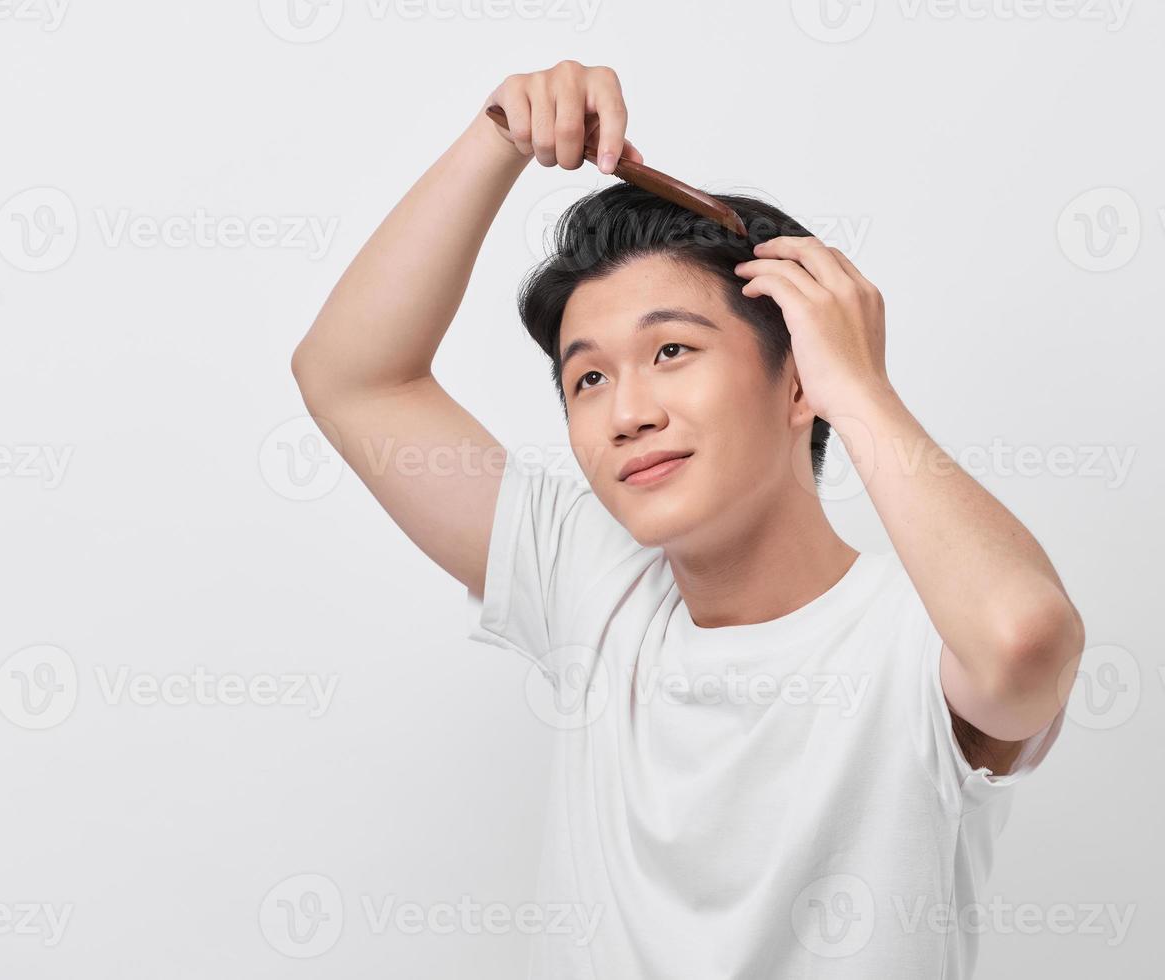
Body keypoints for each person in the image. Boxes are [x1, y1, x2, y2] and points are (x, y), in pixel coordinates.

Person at [291, 59, 1085, 980]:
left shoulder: (916, 637)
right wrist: (495, 140)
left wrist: (861, 389)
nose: (627, 411)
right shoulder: (594, 589)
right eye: (588, 377)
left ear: (798, 380)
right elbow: (352, 379)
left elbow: (1024, 642)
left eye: (671, 350)